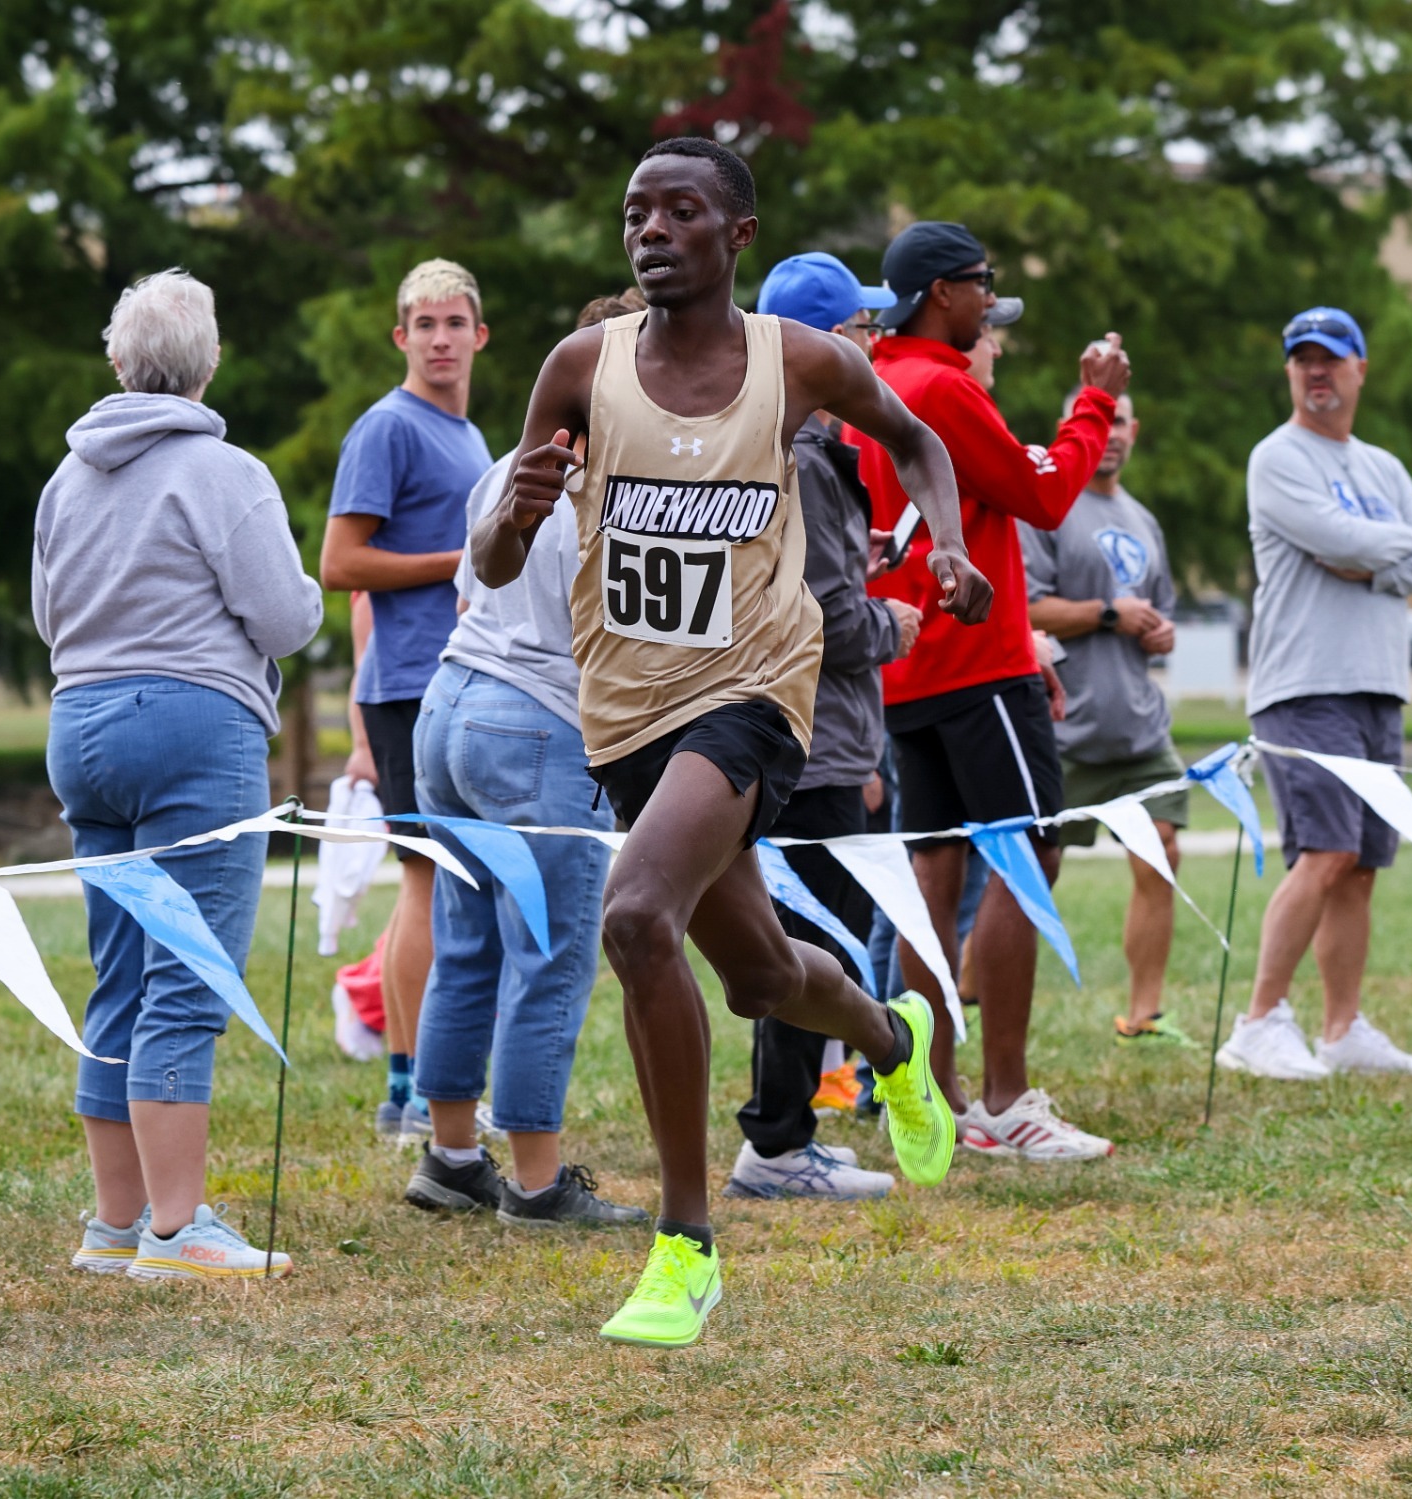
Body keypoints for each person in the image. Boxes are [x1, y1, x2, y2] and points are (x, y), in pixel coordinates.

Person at [471, 138, 988, 1348]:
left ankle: (685, 1245)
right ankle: (890, 1035)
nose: (650, 230)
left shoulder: (795, 360)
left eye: (680, 210)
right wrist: (514, 515)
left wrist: (945, 544)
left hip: (754, 692)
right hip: (625, 710)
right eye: (635, 212)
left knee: (636, 913)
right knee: (756, 973)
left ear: (735, 235)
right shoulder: (576, 367)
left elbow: (915, 442)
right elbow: (495, 567)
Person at [36, 270, 324, 1278]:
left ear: (116, 363)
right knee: (187, 974)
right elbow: (286, 618)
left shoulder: (64, 480)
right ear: (208, 365)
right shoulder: (225, 473)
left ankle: (114, 1225)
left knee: (120, 971)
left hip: (79, 725)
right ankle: (177, 1227)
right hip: (196, 726)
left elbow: (47, 616)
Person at [852, 220, 1130, 1161]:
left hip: (904, 668)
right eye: (982, 288)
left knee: (934, 876)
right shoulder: (941, 385)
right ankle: (1007, 1098)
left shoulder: (869, 387)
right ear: (941, 295)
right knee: (1024, 859)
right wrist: (1093, 405)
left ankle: (934, 1095)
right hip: (978, 665)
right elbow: (1043, 492)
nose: (989, 307)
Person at [400, 291, 649, 1229]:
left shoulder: (508, 465)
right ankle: (539, 1186)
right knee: (549, 953)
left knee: (467, 941)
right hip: (538, 720)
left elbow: (474, 593)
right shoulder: (621, 483)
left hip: (448, 705)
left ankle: (453, 1156)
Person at [722, 252, 925, 1202]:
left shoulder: (799, 449)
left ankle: (784, 1130)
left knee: (807, 941)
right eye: (861, 328)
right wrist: (897, 621)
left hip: (814, 733)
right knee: (817, 948)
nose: (875, 344)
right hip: (808, 738)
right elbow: (832, 621)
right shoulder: (803, 457)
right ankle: (777, 1142)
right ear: (821, 343)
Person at [1218, 306, 1412, 1081]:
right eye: (1301, 359)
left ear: (1360, 368)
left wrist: (1371, 559)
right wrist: (1381, 554)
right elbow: (1342, 541)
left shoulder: (1383, 468)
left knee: (1361, 865)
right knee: (1326, 850)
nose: (1316, 371)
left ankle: (1342, 1028)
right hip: (1305, 682)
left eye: (1331, 358)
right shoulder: (1275, 458)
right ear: (1289, 372)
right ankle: (1258, 1021)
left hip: (1380, 684)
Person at [320, 260, 493, 1140]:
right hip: (408, 689)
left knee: (447, 885)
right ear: (401, 337)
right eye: (422, 324)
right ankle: (420, 1090)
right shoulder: (386, 429)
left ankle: (411, 1085)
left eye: (453, 322)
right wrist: (456, 561)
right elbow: (341, 565)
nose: (438, 338)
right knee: (429, 882)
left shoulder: (469, 437)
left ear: (479, 335)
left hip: (464, 679)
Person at [1021, 390, 1192, 1043]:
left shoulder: (1144, 520)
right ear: (1076, 427)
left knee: (1161, 850)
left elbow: (1157, 605)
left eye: (1122, 422)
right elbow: (1024, 607)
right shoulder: (1046, 506)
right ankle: (974, 992)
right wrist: (1109, 614)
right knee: (1035, 868)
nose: (1113, 434)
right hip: (1064, 727)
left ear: (1134, 430)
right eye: (1102, 421)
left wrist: (1158, 631)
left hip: (1139, 727)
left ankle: (1144, 1014)